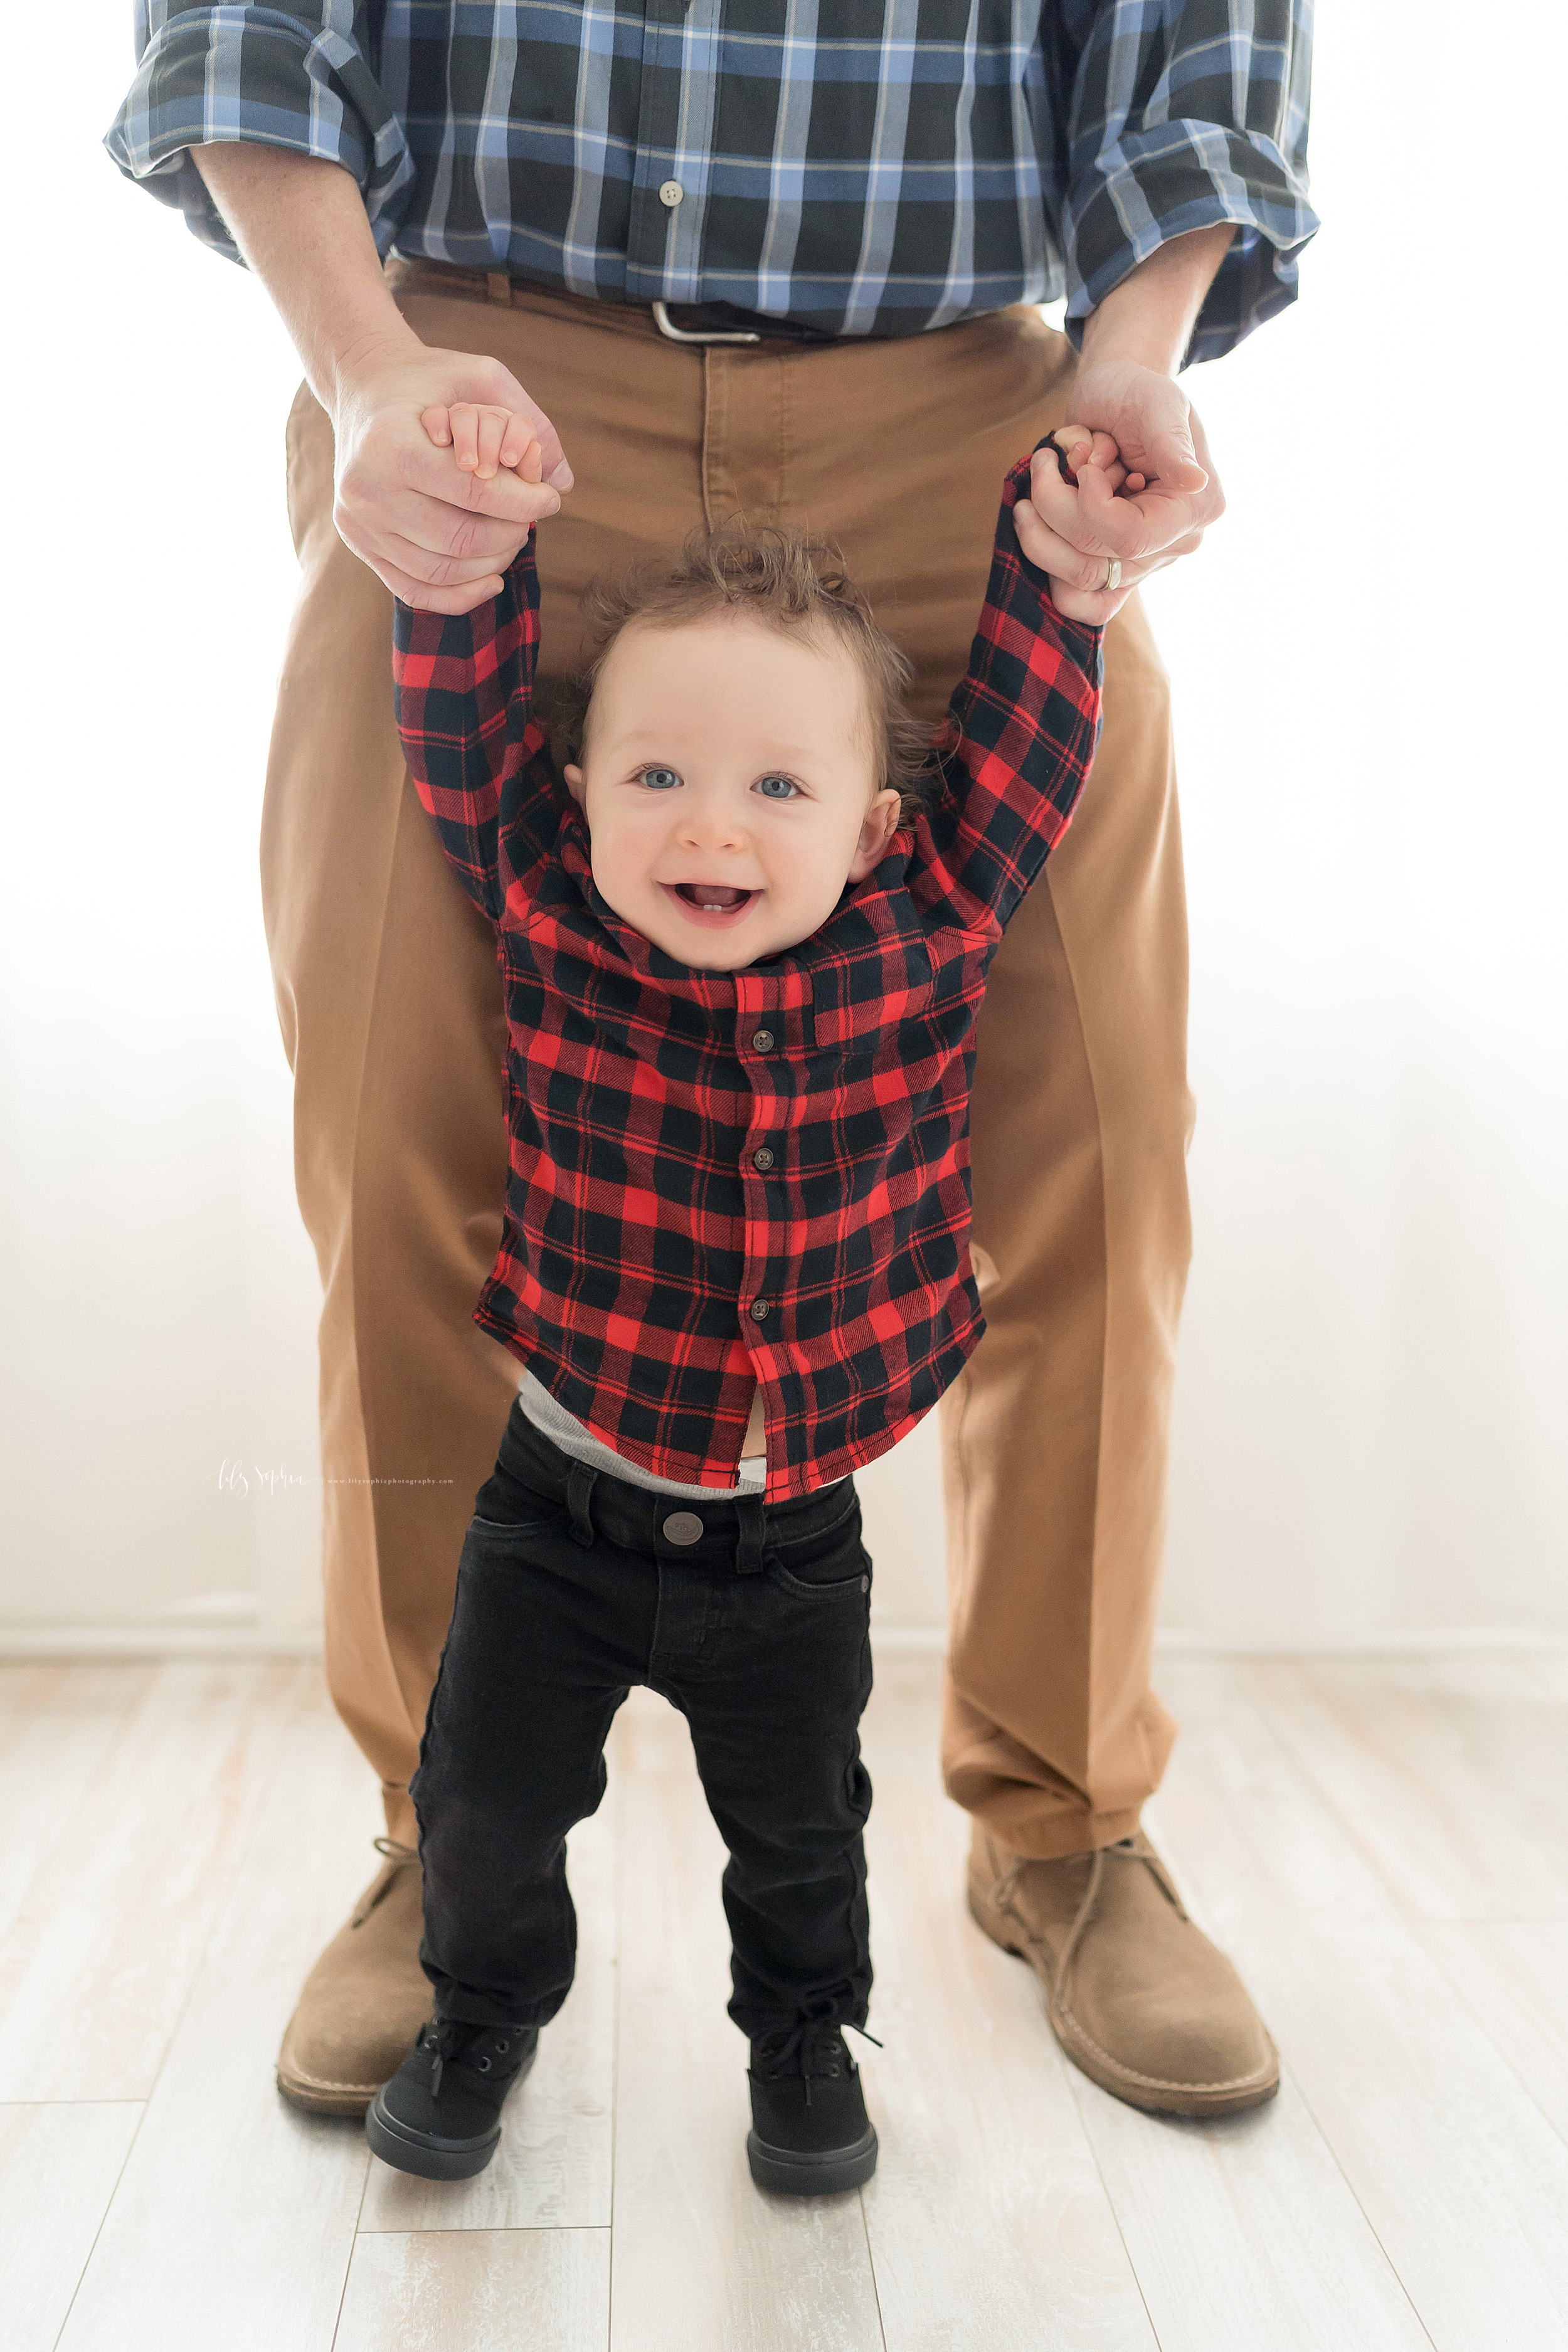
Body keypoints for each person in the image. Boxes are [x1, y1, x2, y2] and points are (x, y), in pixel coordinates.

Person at [105, 0, 1316, 2127]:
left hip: (963, 401)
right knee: (402, 1146)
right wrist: (362, 356)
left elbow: (1199, 40)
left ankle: (1063, 1826)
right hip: (474, 376)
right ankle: (433, 1828)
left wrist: (1133, 347)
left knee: (1091, 1150)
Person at [364, 403, 1105, 2190]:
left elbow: (1016, 743)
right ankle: (478, 2012)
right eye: (658, 777)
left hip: (784, 1545)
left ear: (868, 830)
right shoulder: (549, 911)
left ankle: (798, 2040)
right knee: (482, 1806)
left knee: (798, 1831)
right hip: (558, 1509)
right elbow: (463, 736)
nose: (712, 826)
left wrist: (1061, 579)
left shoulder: (928, 925)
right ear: (585, 800)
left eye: (777, 787)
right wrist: (473, 542)